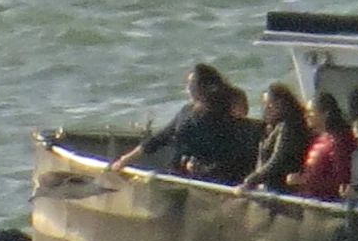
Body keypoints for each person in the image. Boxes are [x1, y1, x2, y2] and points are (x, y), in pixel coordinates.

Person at [111, 63, 251, 182]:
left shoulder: (222, 117)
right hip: (179, 172)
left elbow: (227, 153)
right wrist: (126, 159)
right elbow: (161, 137)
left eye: (191, 84)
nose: (188, 88)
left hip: (209, 177)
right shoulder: (187, 111)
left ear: (204, 88)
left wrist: (202, 168)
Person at [239, 83, 311, 193]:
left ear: (283, 104)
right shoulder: (272, 127)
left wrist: (252, 179)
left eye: (271, 104)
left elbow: (278, 159)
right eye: (265, 104)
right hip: (269, 186)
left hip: (282, 188)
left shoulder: (290, 126)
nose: (266, 109)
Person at [287, 92, 355, 200]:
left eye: (310, 112)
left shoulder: (338, 141)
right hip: (311, 200)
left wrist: (306, 181)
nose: (306, 116)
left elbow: (340, 181)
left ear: (325, 113)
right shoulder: (321, 138)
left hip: (328, 205)